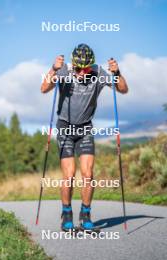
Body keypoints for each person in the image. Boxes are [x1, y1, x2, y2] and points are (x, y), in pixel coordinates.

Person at [41, 43, 128, 232]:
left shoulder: (98, 72)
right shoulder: (65, 70)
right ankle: (66, 213)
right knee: (70, 175)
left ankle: (86, 214)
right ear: (73, 64)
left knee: (88, 174)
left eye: (85, 68)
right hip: (65, 127)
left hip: (85, 128)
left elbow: (123, 89)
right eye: (78, 68)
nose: (81, 73)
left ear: (92, 65)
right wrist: (53, 69)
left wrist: (117, 72)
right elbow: (44, 88)